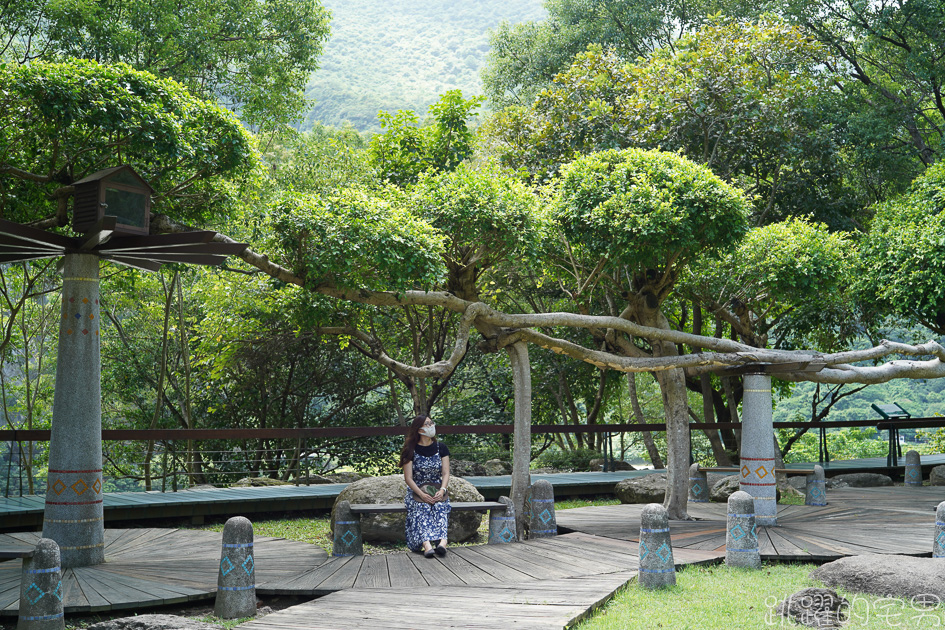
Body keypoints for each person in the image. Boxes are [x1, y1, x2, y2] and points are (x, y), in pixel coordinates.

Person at [400, 414, 451, 558]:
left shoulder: (441, 448)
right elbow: (408, 478)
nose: (431, 427)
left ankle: (443, 542)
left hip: (437, 488)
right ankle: (426, 544)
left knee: (440, 506)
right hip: (416, 490)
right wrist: (421, 494)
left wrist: (442, 490)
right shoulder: (410, 450)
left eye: (431, 423)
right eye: (427, 424)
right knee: (422, 507)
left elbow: (446, 473)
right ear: (419, 429)